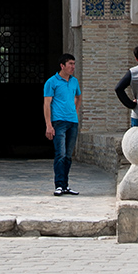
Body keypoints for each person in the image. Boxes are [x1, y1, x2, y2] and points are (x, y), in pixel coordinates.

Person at [43, 53, 82, 196]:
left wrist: (75, 111)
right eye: (70, 64)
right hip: (58, 122)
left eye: (74, 64)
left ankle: (65, 185)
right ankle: (59, 185)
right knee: (60, 154)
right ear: (62, 66)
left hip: (72, 122)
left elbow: (78, 96)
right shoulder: (52, 82)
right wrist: (49, 125)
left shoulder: (74, 81)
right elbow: (47, 104)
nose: (73, 67)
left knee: (68, 156)